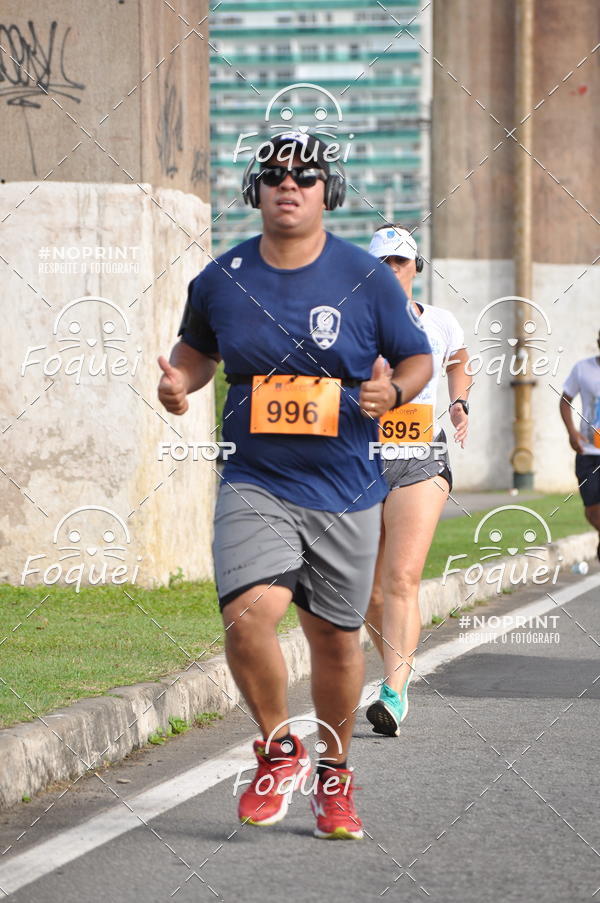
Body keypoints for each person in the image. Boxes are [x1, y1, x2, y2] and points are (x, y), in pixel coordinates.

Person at [157, 133, 433, 839]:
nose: (289, 183)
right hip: (255, 478)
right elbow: (197, 350)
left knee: (336, 642)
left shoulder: (366, 277)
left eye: (306, 175)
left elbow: (417, 360)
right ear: (256, 189)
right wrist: (180, 382)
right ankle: (279, 748)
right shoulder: (221, 277)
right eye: (275, 173)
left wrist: (394, 392)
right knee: (248, 614)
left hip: (346, 487)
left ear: (327, 192)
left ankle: (334, 775)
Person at [364, 223, 470, 737]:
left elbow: (460, 360)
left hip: (421, 459)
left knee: (402, 578)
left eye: (399, 262)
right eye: (381, 263)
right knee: (369, 593)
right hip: (361, 463)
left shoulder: (441, 322)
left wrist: (459, 400)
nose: (390, 271)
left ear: (415, 268)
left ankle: (393, 691)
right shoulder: (347, 322)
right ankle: (397, 668)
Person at [560, 333, 600, 561]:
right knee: (592, 510)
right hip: (588, 452)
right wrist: (572, 432)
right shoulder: (583, 369)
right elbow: (565, 400)